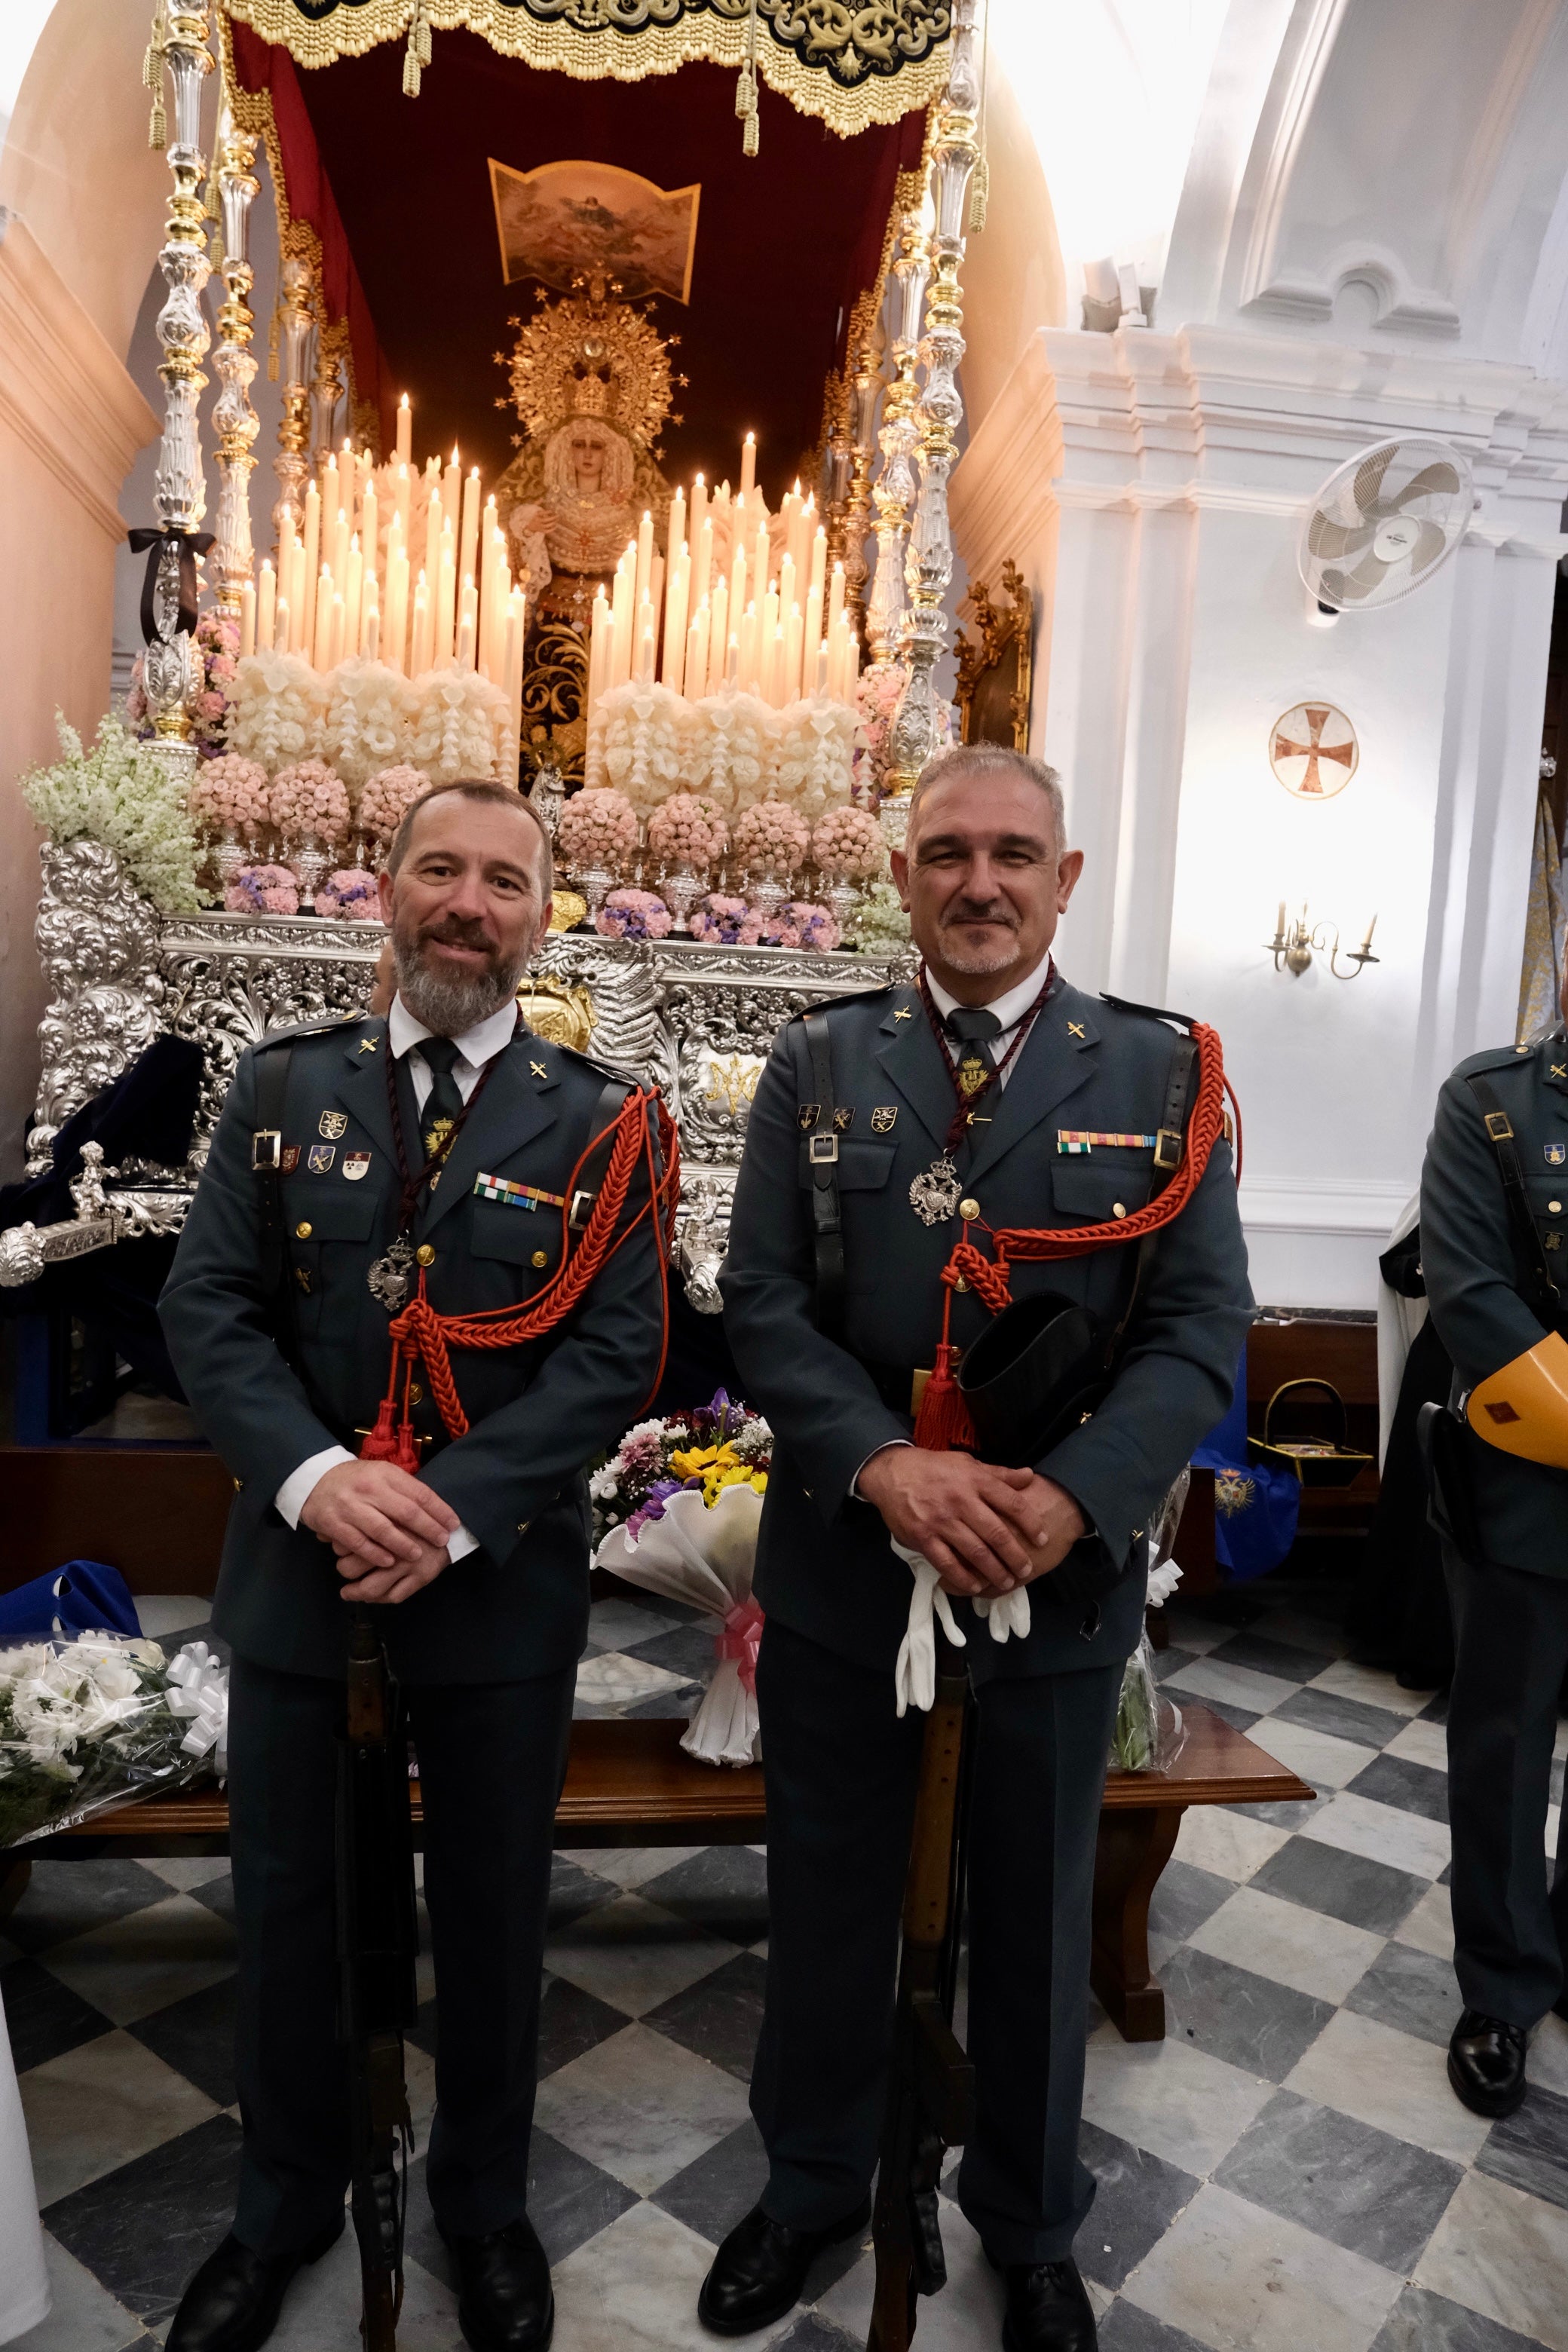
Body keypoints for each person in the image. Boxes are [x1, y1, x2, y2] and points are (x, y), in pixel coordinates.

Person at [709, 746, 1252, 2351]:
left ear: (1064, 879)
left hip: (1047, 1573)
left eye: (1013, 852)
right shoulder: (819, 1060)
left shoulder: (1157, 1077)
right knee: (823, 1905)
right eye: (944, 851)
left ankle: (1024, 2225)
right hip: (847, 1559)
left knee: (1028, 1919)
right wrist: (880, 1464)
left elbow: (1194, 1324)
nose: (978, 882)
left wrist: (1076, 1493)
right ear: (900, 877)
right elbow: (761, 1304)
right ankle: (810, 2187)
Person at [158, 779, 669, 2352]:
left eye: (502, 882)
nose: (467, 903)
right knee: (292, 1905)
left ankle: (484, 2207)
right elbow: (209, 1310)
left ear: (539, 915)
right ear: (383, 891)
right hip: (303, 1575)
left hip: (493, 1590)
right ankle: (282, 2203)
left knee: (500, 1916)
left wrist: (445, 1509)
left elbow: (614, 1357)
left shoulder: (601, 1122)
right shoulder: (275, 1087)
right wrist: (317, 1481)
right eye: (438, 870)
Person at [1417, 971, 1568, 2118]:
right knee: (1508, 1744)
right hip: (1531, 1488)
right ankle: (1505, 1988)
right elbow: (1471, 1295)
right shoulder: (1496, 1103)